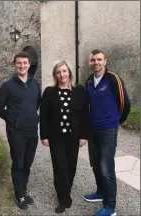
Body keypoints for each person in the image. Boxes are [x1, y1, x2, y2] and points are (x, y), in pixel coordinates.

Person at [83, 49, 131, 216]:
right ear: (90, 63)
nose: (96, 63)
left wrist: (116, 122)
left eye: (99, 59)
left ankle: (110, 208)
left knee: (106, 167)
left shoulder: (113, 79)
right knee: (95, 163)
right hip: (93, 129)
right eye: (93, 60)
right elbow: (87, 106)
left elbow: (125, 103)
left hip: (108, 130)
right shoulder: (88, 82)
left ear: (105, 61)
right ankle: (100, 192)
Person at [40, 60, 89, 214]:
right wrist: (44, 136)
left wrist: (83, 136)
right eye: (58, 72)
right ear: (55, 75)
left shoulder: (79, 91)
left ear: (69, 72)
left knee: (71, 167)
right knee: (60, 167)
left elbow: (84, 115)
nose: (62, 74)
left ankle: (66, 191)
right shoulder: (49, 92)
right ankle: (63, 199)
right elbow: (44, 116)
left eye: (64, 71)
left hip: (73, 137)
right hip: (56, 137)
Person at [0, 51, 41, 210]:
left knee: (28, 163)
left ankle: (23, 189)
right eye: (19, 63)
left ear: (29, 65)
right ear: (14, 65)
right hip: (16, 133)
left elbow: (36, 105)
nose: (22, 66)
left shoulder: (35, 85)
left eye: (25, 63)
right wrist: (13, 120)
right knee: (18, 163)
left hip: (32, 131)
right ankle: (19, 194)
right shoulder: (7, 86)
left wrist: (33, 119)